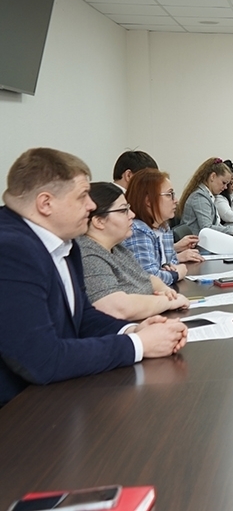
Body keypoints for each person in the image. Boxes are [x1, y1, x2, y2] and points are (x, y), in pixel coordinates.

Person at [0, 148, 187, 406]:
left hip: (53, 395)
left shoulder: (66, 243)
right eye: (82, 196)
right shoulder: (10, 250)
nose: (91, 206)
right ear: (45, 203)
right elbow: (42, 360)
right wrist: (137, 345)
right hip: (18, 411)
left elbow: (83, 316)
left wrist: (132, 329)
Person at [77, 182, 190, 320]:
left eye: (129, 208)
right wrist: (168, 302)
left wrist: (167, 292)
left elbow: (148, 278)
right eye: (123, 210)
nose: (132, 214)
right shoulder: (88, 255)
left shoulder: (117, 248)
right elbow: (115, 307)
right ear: (99, 221)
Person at [124, 168, 201, 286]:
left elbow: (172, 262)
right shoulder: (138, 231)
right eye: (169, 195)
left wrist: (168, 270)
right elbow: (150, 279)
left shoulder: (164, 228)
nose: (176, 200)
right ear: (148, 200)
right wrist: (175, 274)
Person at [178, 158, 233, 236]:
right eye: (223, 183)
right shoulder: (199, 197)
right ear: (213, 176)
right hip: (198, 242)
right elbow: (207, 228)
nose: (225, 187)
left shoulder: (207, 195)